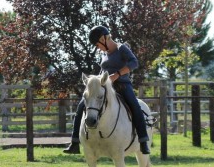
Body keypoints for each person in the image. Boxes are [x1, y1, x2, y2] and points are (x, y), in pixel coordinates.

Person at [64, 25, 150, 155]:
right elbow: (103, 71)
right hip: (105, 87)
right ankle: (75, 142)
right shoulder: (104, 53)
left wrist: (117, 75)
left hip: (122, 86)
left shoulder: (122, 49)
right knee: (82, 105)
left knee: (135, 106)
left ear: (103, 39)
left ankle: (143, 141)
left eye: (97, 44)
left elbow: (134, 63)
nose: (97, 48)